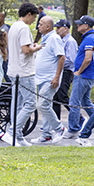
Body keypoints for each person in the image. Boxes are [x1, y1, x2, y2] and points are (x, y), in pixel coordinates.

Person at [1, 2, 41, 146]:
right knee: (31, 104)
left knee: (17, 104)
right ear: (28, 14)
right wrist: (37, 48)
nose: (34, 22)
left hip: (13, 70)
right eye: (34, 18)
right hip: (25, 71)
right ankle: (12, 132)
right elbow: (25, 50)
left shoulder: (14, 27)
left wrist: (31, 47)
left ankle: (17, 136)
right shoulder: (24, 28)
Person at [65, 15, 94, 139]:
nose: (77, 25)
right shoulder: (90, 37)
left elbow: (88, 58)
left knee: (74, 103)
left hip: (83, 75)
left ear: (86, 26)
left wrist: (79, 71)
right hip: (87, 76)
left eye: (80, 24)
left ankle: (73, 129)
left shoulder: (89, 39)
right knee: (86, 102)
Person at [32, 15, 65, 143]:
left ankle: (59, 128)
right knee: (47, 104)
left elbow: (62, 58)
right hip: (41, 78)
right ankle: (46, 134)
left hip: (50, 79)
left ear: (48, 26)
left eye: (40, 24)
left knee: (43, 104)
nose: (38, 26)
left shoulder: (55, 38)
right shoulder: (45, 38)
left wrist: (56, 77)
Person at [53, 19, 76, 120]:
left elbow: (71, 60)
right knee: (56, 98)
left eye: (59, 28)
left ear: (66, 28)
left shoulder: (70, 41)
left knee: (62, 96)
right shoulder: (61, 40)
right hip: (60, 71)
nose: (57, 30)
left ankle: (77, 117)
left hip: (66, 72)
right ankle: (55, 121)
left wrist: (57, 64)